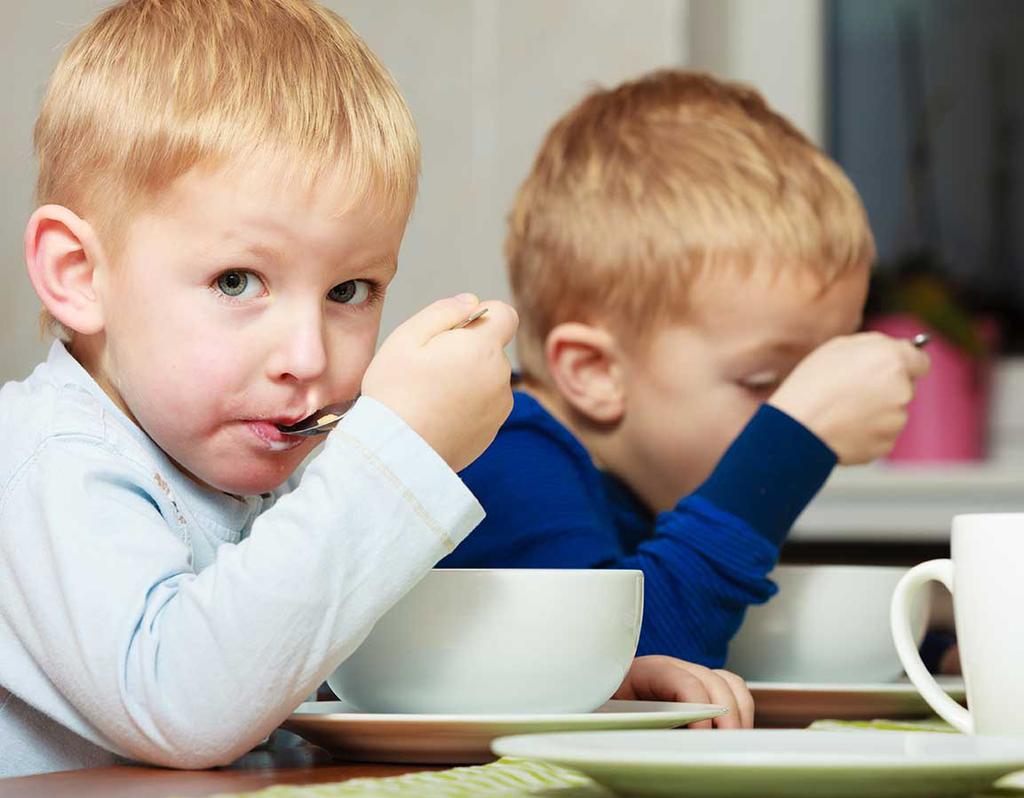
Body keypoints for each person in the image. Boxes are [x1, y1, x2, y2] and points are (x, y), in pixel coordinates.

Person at [0, 5, 753, 778]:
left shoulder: (265, 470)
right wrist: (399, 452)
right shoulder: (51, 459)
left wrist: (585, 686)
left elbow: (335, 659)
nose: (307, 355)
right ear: (79, 275)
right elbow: (184, 707)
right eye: (237, 281)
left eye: (350, 289)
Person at [442, 70, 930, 668]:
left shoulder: (647, 479)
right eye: (762, 382)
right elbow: (610, 668)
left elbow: (718, 613)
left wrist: (935, 644)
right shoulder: (502, 451)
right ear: (594, 371)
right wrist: (792, 441)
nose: (792, 401)